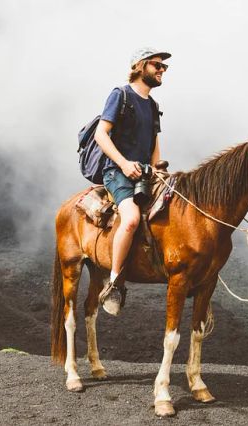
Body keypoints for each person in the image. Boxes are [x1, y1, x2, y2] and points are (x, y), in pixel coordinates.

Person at [94, 47, 171, 315]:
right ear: (140, 66)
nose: (162, 70)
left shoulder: (152, 105)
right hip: (117, 172)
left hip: (146, 174)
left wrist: (158, 170)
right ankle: (114, 282)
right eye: (157, 65)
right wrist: (124, 164)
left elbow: (154, 143)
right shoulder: (121, 95)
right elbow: (101, 135)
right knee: (131, 220)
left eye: (164, 67)